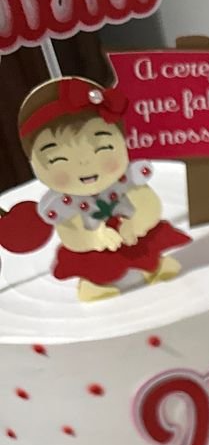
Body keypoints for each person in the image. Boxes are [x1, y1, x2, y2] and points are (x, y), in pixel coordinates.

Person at [5, 76, 189, 301]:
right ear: (34, 163)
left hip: (132, 236)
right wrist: (94, 237)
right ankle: (93, 286)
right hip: (97, 248)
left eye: (103, 148)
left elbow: (148, 204)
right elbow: (71, 234)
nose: (84, 163)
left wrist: (137, 223)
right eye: (59, 160)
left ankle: (155, 267)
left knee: (147, 247)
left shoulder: (128, 180)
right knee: (95, 266)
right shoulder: (64, 203)